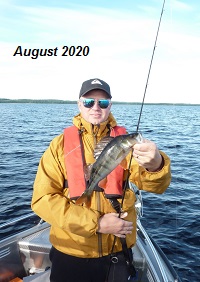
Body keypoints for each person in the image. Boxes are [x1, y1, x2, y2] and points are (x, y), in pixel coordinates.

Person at [31, 78, 171, 282]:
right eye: (89, 102)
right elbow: (42, 199)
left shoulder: (125, 142)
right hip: (70, 253)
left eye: (103, 102)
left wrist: (156, 164)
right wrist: (96, 223)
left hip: (117, 252)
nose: (96, 107)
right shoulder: (59, 146)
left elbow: (155, 185)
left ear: (110, 106)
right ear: (79, 104)